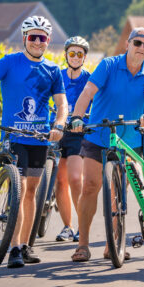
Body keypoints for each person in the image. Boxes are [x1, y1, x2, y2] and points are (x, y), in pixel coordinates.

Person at [0, 16, 66, 268]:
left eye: (43, 38)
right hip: (13, 137)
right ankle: (14, 247)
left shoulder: (52, 70)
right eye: (33, 37)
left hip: (39, 139)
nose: (38, 42)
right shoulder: (10, 62)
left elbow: (62, 104)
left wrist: (59, 124)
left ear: (48, 41)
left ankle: (26, 245)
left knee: (31, 192)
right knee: (18, 190)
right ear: (25, 38)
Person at [69, 27, 144, 262]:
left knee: (118, 194)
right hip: (99, 135)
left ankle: (114, 243)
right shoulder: (109, 65)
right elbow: (88, 92)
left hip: (129, 141)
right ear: (127, 44)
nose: (141, 48)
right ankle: (83, 245)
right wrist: (77, 117)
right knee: (90, 186)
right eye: (137, 42)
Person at [53, 36, 92, 243]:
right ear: (66, 55)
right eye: (72, 53)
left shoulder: (89, 78)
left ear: (84, 57)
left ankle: (81, 225)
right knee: (60, 180)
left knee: (76, 179)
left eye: (80, 54)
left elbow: (99, 102)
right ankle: (67, 226)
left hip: (78, 133)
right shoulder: (57, 76)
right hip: (57, 130)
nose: (75, 57)